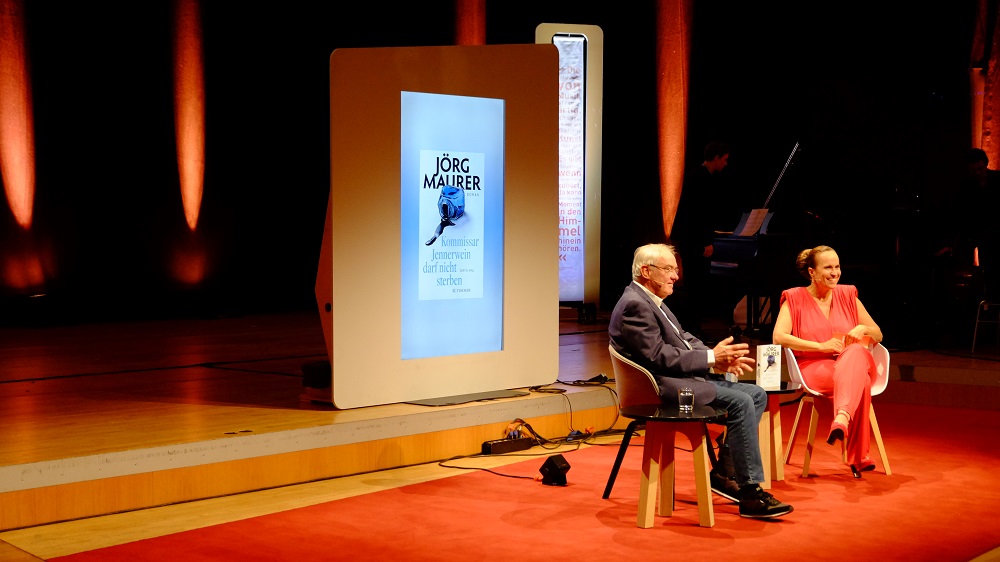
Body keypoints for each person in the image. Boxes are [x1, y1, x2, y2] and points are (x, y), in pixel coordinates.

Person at [609, 243, 794, 519]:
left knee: (756, 394)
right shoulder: (635, 305)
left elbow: (684, 339)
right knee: (742, 401)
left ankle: (723, 474)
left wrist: (716, 358)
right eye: (669, 269)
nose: (676, 276)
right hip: (661, 389)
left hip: (677, 378)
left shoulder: (649, 300)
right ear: (646, 271)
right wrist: (710, 358)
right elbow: (659, 355)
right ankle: (750, 494)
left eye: (675, 269)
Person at [771, 245, 884, 477]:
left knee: (855, 352)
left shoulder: (848, 295)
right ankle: (859, 456)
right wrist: (820, 346)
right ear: (812, 272)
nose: (835, 273)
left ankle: (842, 417)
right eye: (828, 268)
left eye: (837, 267)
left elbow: (878, 334)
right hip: (815, 367)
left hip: (852, 361)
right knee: (860, 381)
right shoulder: (794, 298)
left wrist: (863, 328)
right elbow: (779, 337)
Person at [670, 141, 732, 336]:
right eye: (724, 159)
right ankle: (692, 330)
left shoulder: (700, 176)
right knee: (696, 285)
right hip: (694, 240)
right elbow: (698, 215)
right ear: (716, 157)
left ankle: (692, 328)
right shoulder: (701, 178)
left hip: (691, 238)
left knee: (696, 285)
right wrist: (706, 242)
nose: (725, 164)